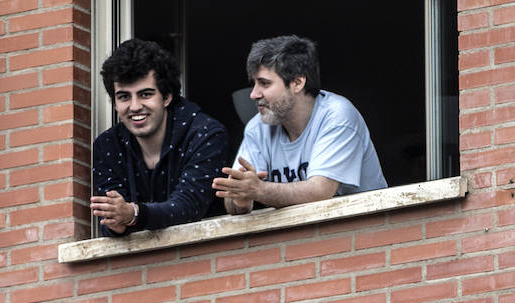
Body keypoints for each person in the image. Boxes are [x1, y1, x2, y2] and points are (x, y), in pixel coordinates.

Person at [214, 35, 386, 214]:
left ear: (297, 82)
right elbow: (232, 202)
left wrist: (258, 190)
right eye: (254, 84)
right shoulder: (257, 127)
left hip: (366, 234)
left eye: (264, 83)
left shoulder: (337, 116)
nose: (254, 94)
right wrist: (241, 199)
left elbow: (319, 192)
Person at [91, 38, 228, 235]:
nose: (135, 106)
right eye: (124, 97)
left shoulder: (205, 134)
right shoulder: (107, 146)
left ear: (167, 97)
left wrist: (133, 215)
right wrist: (116, 224)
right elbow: (109, 219)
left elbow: (189, 207)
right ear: (114, 104)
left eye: (145, 94)